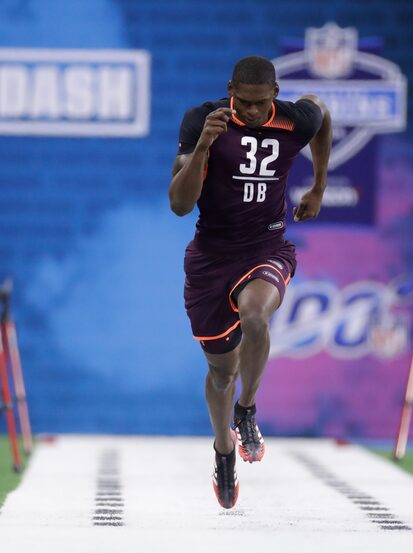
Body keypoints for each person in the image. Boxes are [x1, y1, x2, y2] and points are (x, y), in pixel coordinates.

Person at [168, 55, 332, 509]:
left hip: (266, 248)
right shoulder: (204, 119)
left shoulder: (293, 120)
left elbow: (321, 111)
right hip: (210, 258)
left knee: (256, 315)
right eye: (244, 102)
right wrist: (203, 146)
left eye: (261, 103)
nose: (253, 111)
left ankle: (248, 408)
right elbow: (180, 206)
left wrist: (318, 185)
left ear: (275, 95)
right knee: (221, 373)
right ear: (230, 90)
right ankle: (224, 452)